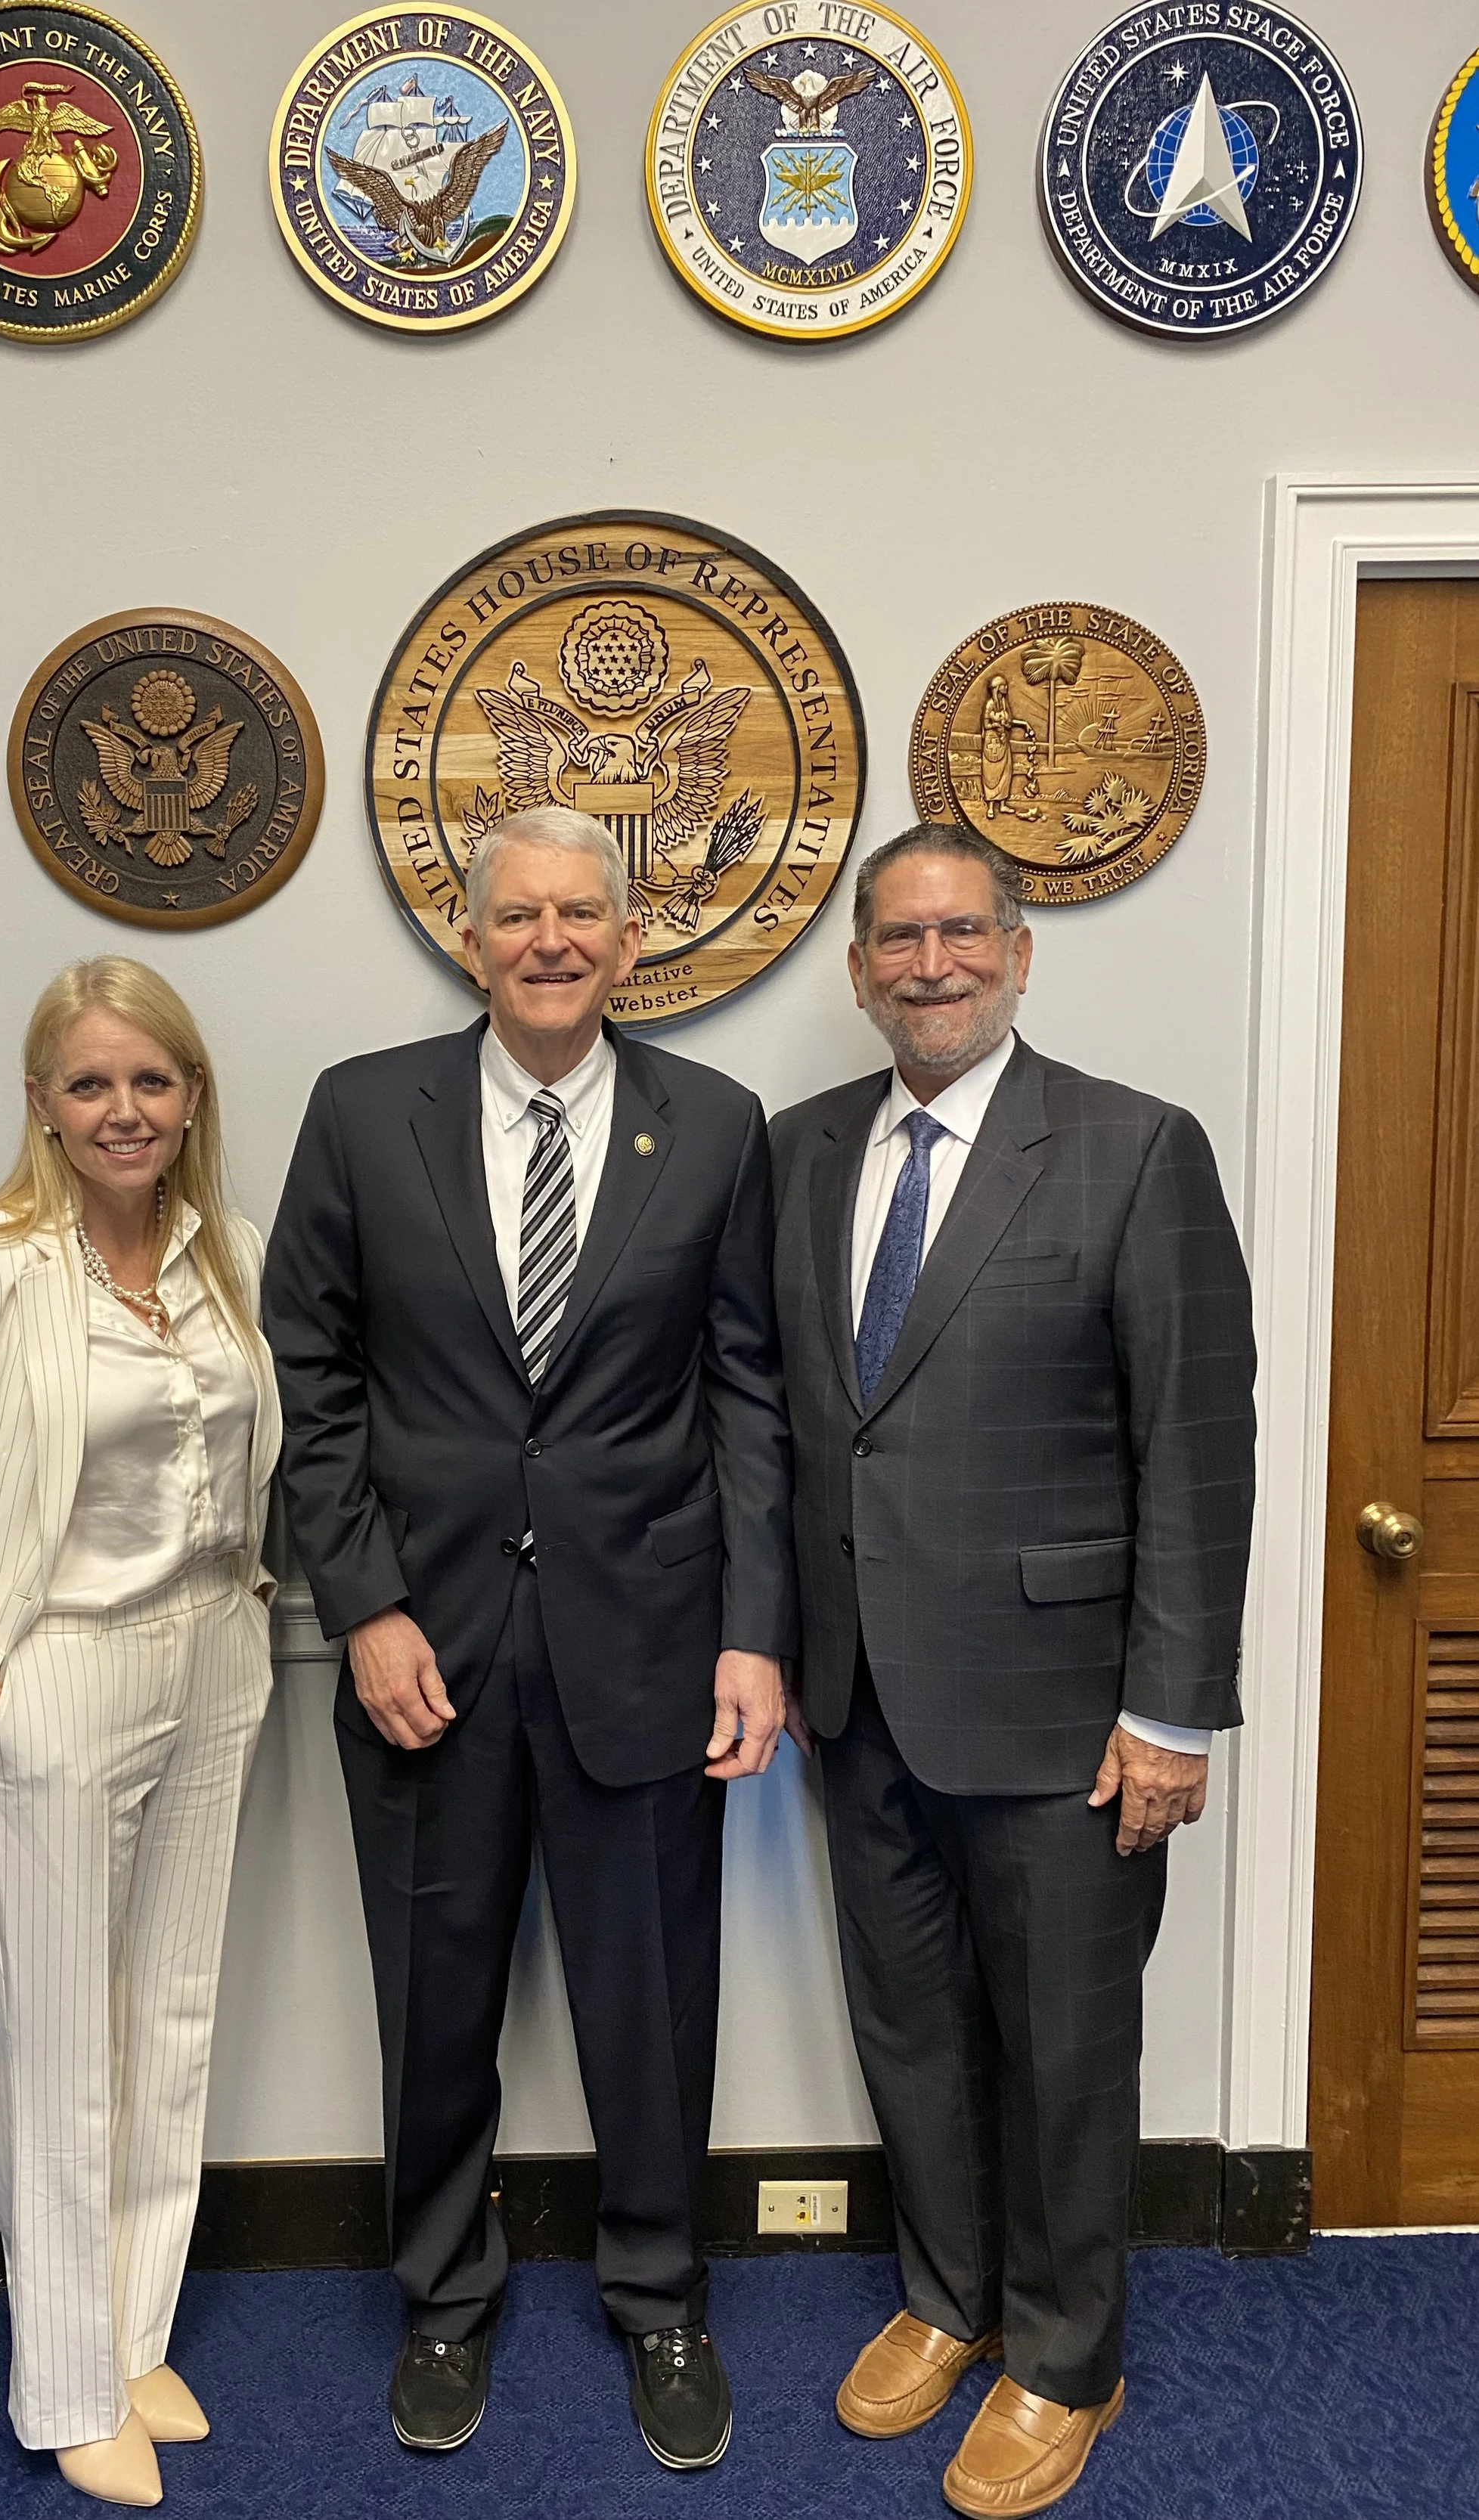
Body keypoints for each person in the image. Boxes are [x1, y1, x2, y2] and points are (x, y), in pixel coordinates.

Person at [263, 806, 795, 2471]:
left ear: (629, 943)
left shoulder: (714, 1125)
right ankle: (439, 2292)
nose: (550, 939)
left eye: (582, 913)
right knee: (432, 1999)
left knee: (650, 2000)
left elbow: (746, 1393)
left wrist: (753, 1630)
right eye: (518, 915)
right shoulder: (360, 1113)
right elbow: (311, 1374)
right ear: (467, 936)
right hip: (421, 1647)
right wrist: (358, 1606)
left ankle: (659, 2296)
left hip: (645, 1638)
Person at [770, 826, 1254, 2518]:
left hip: (1067, 1711)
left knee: (1059, 2046)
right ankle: (945, 2295)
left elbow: (1196, 1443)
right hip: (858, 1696)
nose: (928, 964)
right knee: (907, 2026)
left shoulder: (1128, 1150)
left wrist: (1172, 1708)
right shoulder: (801, 1149)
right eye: (895, 940)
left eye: (960, 932)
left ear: (1018, 951)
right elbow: (789, 1419)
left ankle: (1065, 2355)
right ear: (855, 969)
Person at [0, 958, 281, 2509]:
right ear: (40, 1104)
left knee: (172, 2016)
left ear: (191, 1094)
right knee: (62, 2050)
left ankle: (135, 2330)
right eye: (89, 1083)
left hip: (216, 1656)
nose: (122, 1109)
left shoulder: (228, 1259)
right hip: (53, 1679)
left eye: (150, 1079)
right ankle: (66, 2384)